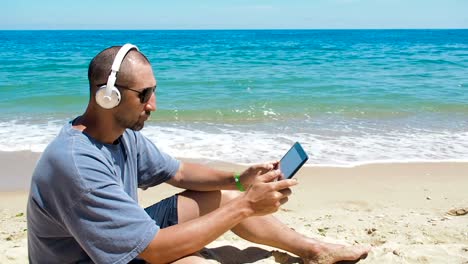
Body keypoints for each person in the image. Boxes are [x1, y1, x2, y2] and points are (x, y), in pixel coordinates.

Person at [27, 44, 370, 264]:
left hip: (119, 242)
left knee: (218, 198)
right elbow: (154, 250)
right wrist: (247, 204)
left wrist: (238, 180)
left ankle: (313, 250)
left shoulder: (120, 135)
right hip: (91, 259)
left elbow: (176, 172)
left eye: (154, 92)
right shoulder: (77, 164)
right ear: (109, 97)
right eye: (144, 94)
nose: (153, 105)